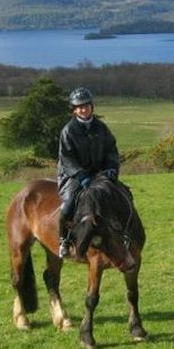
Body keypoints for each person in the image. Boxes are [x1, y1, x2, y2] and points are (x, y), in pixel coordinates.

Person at [56, 87, 121, 259]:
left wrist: (112, 168)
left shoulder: (101, 128)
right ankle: (64, 240)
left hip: (99, 174)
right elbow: (66, 158)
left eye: (86, 106)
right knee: (68, 205)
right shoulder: (68, 131)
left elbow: (111, 150)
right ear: (74, 109)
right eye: (79, 107)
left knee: (121, 194)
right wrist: (81, 175)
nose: (83, 109)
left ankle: (121, 232)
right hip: (73, 176)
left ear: (92, 106)